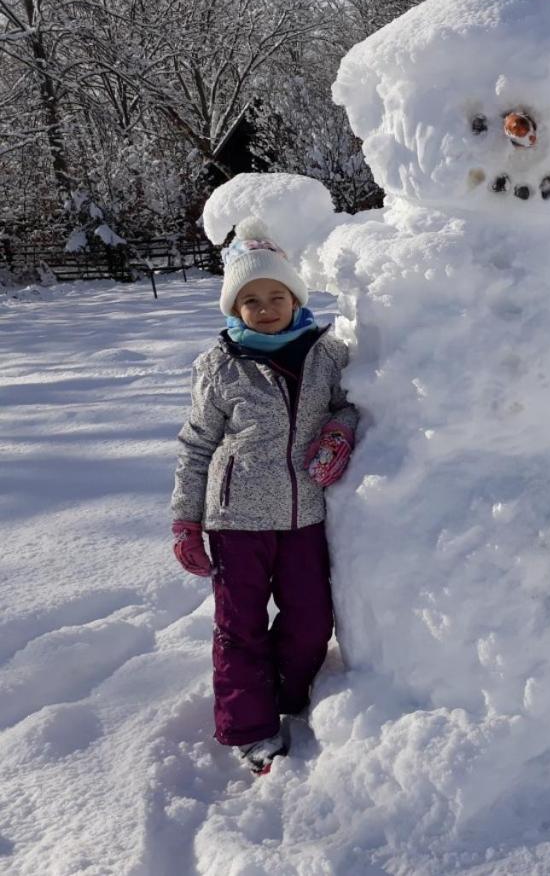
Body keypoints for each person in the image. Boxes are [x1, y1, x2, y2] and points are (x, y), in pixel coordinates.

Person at [170, 216, 358, 775]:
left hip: (305, 517)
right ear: (235, 309)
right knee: (239, 625)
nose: (266, 306)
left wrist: (338, 431)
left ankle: (286, 691)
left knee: (311, 619)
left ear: (296, 297)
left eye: (277, 294)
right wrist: (186, 520)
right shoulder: (219, 366)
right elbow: (197, 443)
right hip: (236, 520)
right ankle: (251, 726)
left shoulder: (326, 355)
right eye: (251, 299)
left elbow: (351, 402)